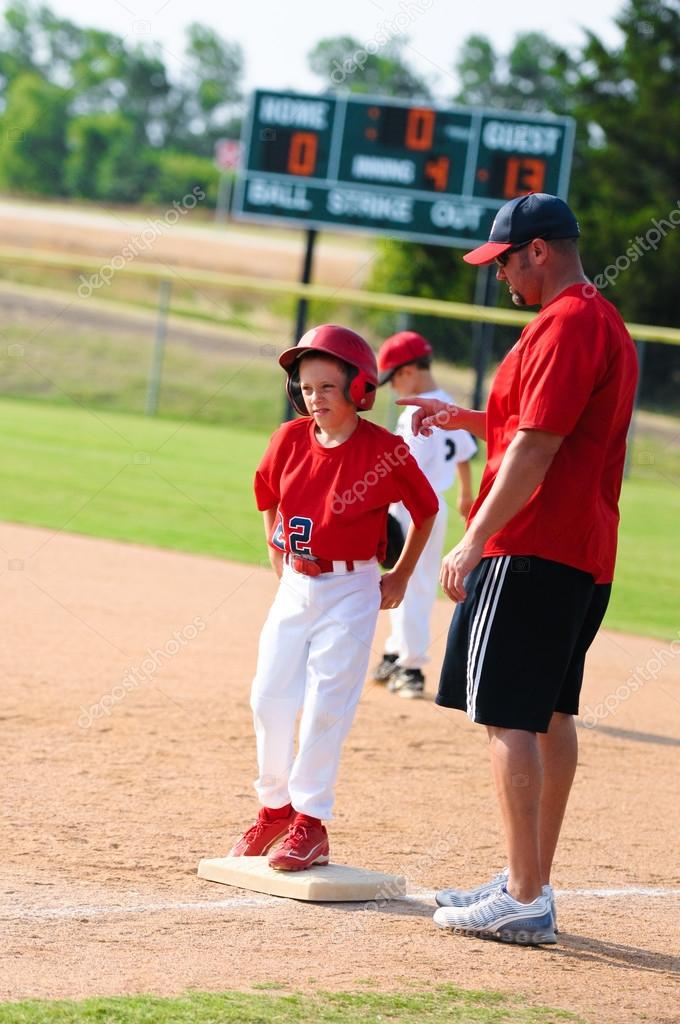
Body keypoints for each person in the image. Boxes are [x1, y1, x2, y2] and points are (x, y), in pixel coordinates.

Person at [401, 193, 638, 944]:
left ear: (538, 251)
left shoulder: (566, 323)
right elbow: (549, 429)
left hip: (533, 546)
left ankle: (527, 897)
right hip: (581, 549)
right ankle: (524, 878)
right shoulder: (600, 320)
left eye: (504, 260)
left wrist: (474, 536)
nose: (500, 274)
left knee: (507, 714)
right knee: (551, 714)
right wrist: (472, 422)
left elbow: (536, 451)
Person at [230, 324, 438, 871]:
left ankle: (310, 822)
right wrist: (275, 548)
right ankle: (275, 806)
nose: (312, 398)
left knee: (326, 706)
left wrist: (399, 575)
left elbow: (426, 510)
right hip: (297, 582)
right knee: (268, 696)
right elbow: (267, 494)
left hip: (352, 588)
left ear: (359, 389)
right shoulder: (288, 439)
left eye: (326, 387)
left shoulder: (385, 450)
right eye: (304, 387)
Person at [372, 331, 477, 698]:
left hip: (413, 507)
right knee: (406, 579)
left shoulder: (417, 409)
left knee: (407, 581)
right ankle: (396, 649)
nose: (392, 386)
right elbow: (464, 450)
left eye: (395, 377)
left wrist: (380, 502)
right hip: (435, 506)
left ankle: (412, 666)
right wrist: (465, 491)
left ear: (411, 371)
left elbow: (405, 467)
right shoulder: (446, 402)